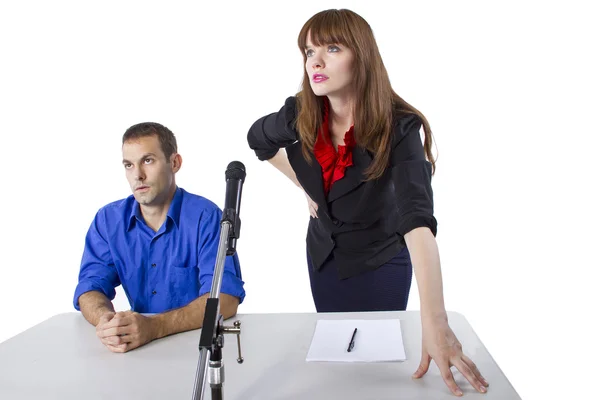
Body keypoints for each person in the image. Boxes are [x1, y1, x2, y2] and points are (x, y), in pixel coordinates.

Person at [247, 9, 487, 396]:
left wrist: (435, 320)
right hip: (323, 256)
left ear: (361, 55)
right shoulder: (301, 113)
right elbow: (258, 140)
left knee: (375, 371)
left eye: (332, 48)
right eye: (309, 52)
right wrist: (304, 186)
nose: (316, 62)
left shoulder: (401, 127)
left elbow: (417, 220)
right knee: (337, 362)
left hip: (381, 262)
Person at [74, 122, 245, 353]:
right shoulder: (108, 220)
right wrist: (106, 321)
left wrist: (154, 327)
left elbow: (225, 298)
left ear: (174, 163)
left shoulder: (205, 217)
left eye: (148, 160)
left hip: (196, 347)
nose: (138, 175)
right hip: (136, 351)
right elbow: (90, 286)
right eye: (128, 165)